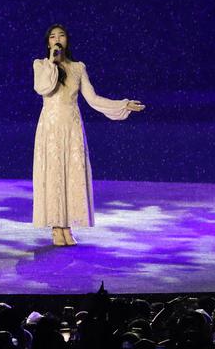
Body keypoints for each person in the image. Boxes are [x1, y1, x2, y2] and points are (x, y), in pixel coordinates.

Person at [32, 24, 144, 246]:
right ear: (48, 43)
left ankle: (67, 226)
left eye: (61, 35)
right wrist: (53, 63)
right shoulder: (41, 65)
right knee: (54, 173)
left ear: (67, 41)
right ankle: (56, 226)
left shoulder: (78, 68)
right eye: (53, 36)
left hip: (72, 126)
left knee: (71, 173)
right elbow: (43, 88)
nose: (57, 39)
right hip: (51, 128)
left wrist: (123, 104)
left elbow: (93, 99)